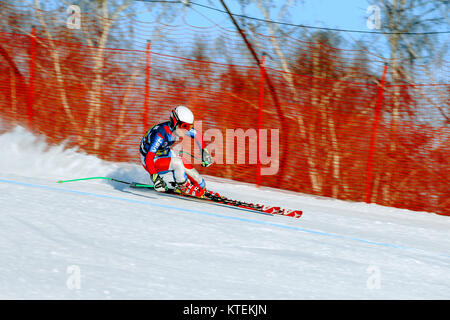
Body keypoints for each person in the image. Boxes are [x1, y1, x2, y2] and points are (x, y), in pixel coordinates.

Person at [139, 105, 212, 197]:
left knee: (189, 169)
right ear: (175, 121)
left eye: (189, 126)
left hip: (164, 153)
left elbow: (197, 135)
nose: (186, 130)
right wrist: (155, 178)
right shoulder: (161, 134)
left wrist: (204, 152)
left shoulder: (179, 128)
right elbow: (148, 158)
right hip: (150, 161)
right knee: (177, 163)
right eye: (184, 126)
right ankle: (182, 186)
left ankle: (200, 186)